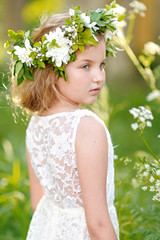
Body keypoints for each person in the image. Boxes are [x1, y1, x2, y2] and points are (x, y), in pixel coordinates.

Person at [5, 2, 122, 239]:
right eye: (85, 66)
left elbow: (38, 203)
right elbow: (98, 224)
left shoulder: (36, 126)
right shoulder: (87, 127)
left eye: (102, 65)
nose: (99, 76)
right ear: (52, 70)